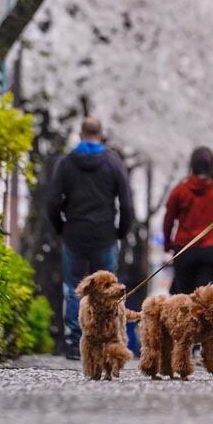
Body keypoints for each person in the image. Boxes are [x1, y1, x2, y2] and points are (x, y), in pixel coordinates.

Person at [47, 116, 135, 360]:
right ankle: (109, 339)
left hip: (74, 233)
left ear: (80, 133)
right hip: (105, 234)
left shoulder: (66, 163)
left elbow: (53, 201)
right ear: (101, 134)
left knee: (74, 288)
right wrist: (121, 231)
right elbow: (126, 203)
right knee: (110, 290)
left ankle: (77, 342)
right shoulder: (113, 162)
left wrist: (61, 227)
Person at [164, 147, 213, 294]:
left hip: (184, 250)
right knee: (207, 302)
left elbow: (168, 220)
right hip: (211, 252)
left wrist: (168, 244)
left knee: (184, 301)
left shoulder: (180, 190)